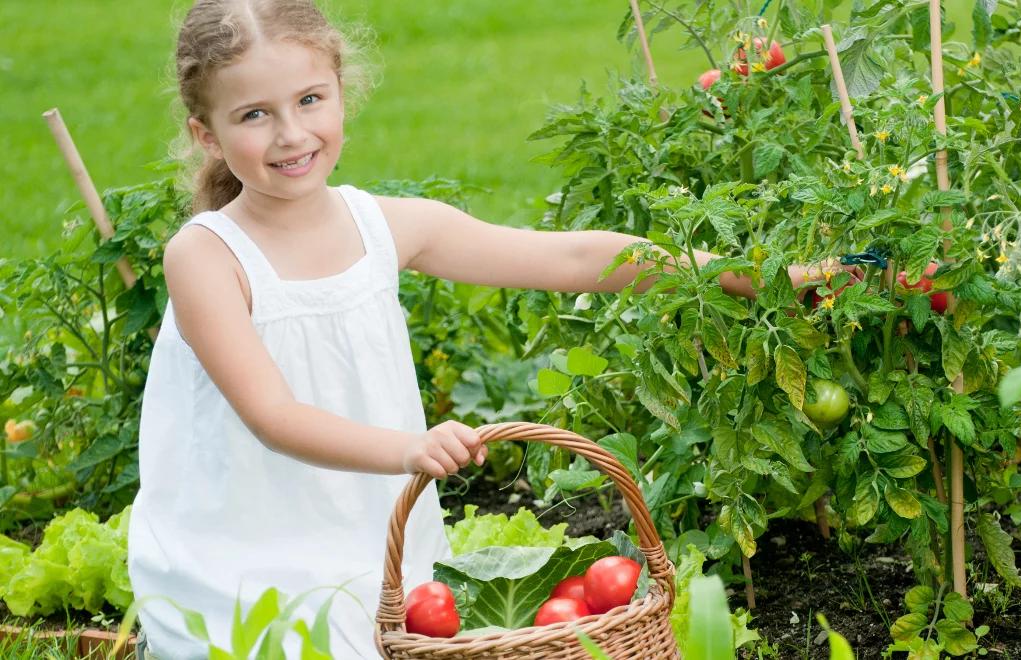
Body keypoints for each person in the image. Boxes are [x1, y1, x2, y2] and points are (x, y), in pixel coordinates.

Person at [126, 1, 855, 658]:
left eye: (310, 100)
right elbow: (272, 415)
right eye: (254, 115)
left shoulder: (382, 227)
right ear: (207, 134)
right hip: (238, 556)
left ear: (342, 94)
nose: (291, 134)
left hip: (368, 546)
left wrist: (757, 276)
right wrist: (409, 448)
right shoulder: (207, 255)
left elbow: (576, 256)